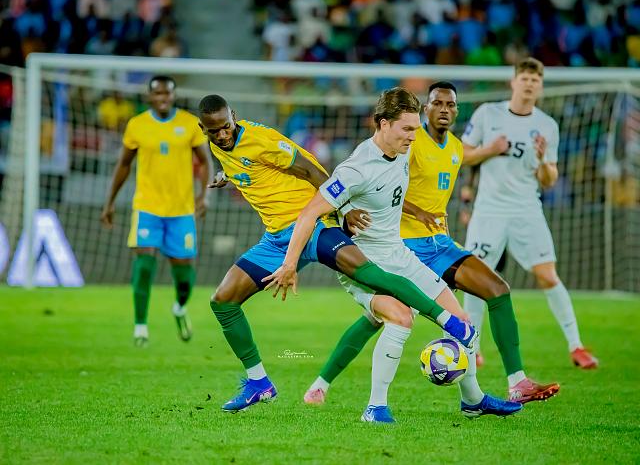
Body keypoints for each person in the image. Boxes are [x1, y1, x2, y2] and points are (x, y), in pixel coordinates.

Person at [199, 93, 478, 414]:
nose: (222, 134)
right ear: (203, 129)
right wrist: (227, 175)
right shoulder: (219, 145)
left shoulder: (262, 140)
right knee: (223, 301)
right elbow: (245, 164)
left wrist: (343, 209)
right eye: (214, 131)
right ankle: (259, 382)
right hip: (277, 238)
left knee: (371, 275)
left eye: (226, 127)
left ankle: (449, 323)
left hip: (315, 225)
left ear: (233, 116)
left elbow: (310, 170)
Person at [263, 87, 522, 423]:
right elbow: (309, 213)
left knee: (462, 322)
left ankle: (473, 401)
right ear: (383, 124)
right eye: (407, 129)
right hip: (363, 264)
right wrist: (290, 263)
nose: (414, 136)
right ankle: (375, 408)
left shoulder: (401, 151)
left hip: (399, 253)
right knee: (401, 318)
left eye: (415, 128)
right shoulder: (357, 168)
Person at [461, 57, 598, 369]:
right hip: (489, 209)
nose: (529, 84)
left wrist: (544, 160)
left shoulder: (547, 125)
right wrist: (489, 149)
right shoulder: (488, 113)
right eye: (524, 78)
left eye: (535, 80)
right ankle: (472, 347)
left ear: (540, 87)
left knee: (547, 275)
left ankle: (576, 346)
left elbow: (549, 180)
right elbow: (462, 155)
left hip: (526, 209)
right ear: (513, 82)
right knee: (475, 277)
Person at [101, 75, 210, 347]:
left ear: (174, 96)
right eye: (158, 93)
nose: (163, 98)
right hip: (147, 207)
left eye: (167, 93)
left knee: (184, 276)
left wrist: (204, 194)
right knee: (144, 264)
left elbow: (205, 162)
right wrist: (110, 202)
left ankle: (180, 308)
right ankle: (140, 326)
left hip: (181, 210)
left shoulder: (189, 123)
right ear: (149, 96)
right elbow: (124, 165)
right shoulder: (137, 125)